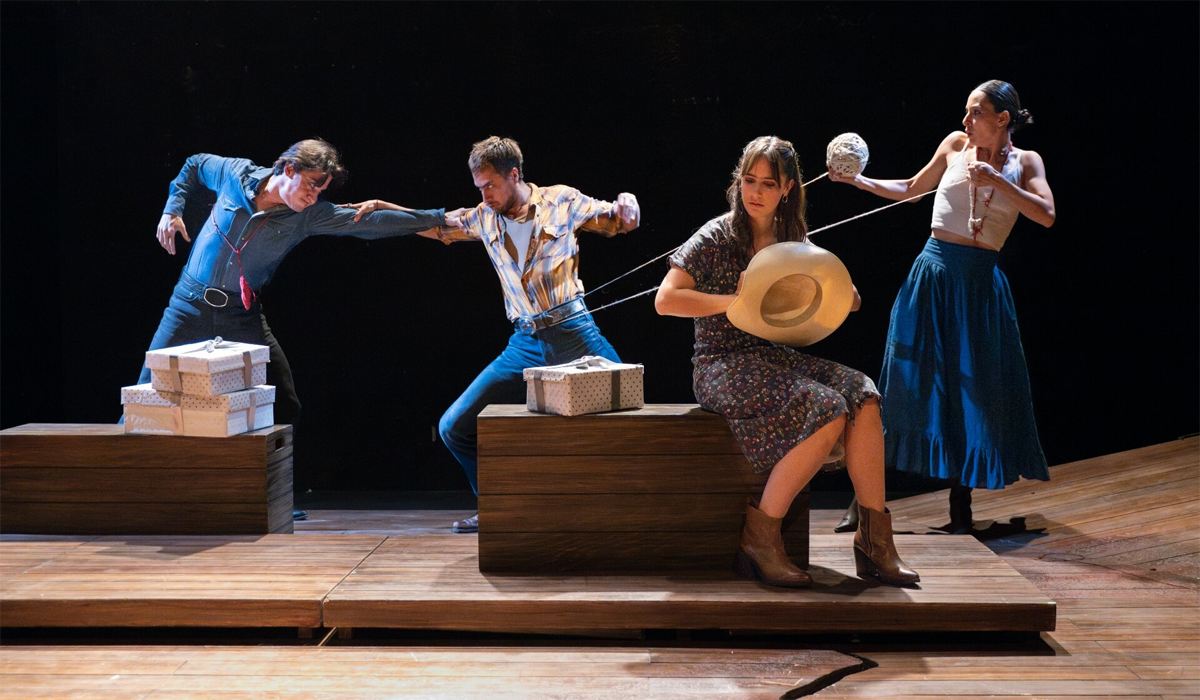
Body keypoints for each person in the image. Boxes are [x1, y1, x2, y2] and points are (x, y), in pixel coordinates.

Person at [655, 135, 919, 588]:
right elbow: (666, 300)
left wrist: (836, 289)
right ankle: (759, 540)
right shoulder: (717, 235)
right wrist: (734, 300)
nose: (755, 192)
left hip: (774, 357)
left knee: (863, 394)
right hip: (720, 363)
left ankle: (875, 543)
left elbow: (851, 299)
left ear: (788, 189)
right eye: (749, 181)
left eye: (768, 184)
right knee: (827, 407)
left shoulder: (790, 237)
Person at [142, 139, 451, 519]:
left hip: (242, 316)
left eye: (321, 190)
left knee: (285, 402)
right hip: (188, 307)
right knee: (147, 393)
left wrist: (439, 217)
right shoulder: (233, 174)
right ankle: (118, 490)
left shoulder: (306, 216)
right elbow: (193, 164)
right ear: (288, 169)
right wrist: (172, 210)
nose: (313, 196)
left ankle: (271, 499)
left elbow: (371, 224)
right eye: (311, 185)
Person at [353, 136, 640, 533]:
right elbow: (435, 225)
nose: (484, 195)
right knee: (453, 427)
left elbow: (620, 220)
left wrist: (628, 202)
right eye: (479, 187)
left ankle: (631, 514)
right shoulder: (483, 216)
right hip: (524, 344)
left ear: (514, 175)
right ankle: (494, 508)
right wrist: (383, 207)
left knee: (633, 421)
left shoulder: (562, 200)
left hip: (575, 335)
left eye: (490, 185)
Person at [829, 80, 1056, 533]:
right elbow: (912, 188)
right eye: (967, 112)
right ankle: (865, 498)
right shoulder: (955, 145)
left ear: (1002, 119)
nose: (966, 121)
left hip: (979, 286)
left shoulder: (1026, 162)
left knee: (973, 390)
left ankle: (961, 505)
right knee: (904, 383)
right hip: (932, 277)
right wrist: (858, 180)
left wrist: (997, 181)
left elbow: (1046, 214)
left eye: (976, 112)